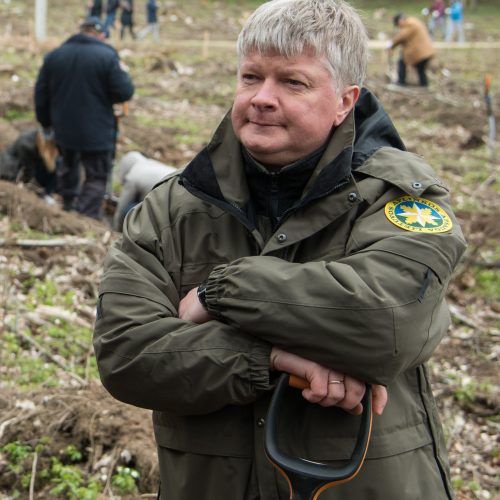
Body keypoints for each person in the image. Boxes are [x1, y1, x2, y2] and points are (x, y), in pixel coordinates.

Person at [93, 1, 466, 498]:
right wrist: (272, 356)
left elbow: (391, 321)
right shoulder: (171, 210)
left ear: (344, 100)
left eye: (293, 82)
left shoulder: (398, 197)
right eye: (251, 77)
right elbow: (127, 355)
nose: (262, 98)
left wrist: (222, 290)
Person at [34, 16, 134, 219]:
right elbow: (124, 92)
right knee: (97, 174)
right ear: (100, 34)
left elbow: (41, 94)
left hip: (64, 127)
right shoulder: (107, 56)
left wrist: (45, 122)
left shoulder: (55, 55)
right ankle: (87, 217)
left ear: (80, 31)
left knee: (67, 165)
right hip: (97, 130)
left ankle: (69, 206)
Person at [113, 151, 176, 231]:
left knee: (129, 210)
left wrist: (116, 228)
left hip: (167, 204)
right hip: (179, 195)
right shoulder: (149, 164)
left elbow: (122, 206)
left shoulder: (133, 175)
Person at [0, 128, 58, 202]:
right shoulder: (26, 145)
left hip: (31, 168)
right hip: (10, 170)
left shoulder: (50, 147)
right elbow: (28, 171)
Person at [389, 13, 436, 87]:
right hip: (424, 51)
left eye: (398, 25)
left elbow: (402, 36)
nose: (399, 27)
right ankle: (424, 85)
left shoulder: (410, 24)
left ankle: (401, 83)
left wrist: (391, 44)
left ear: (401, 21)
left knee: (402, 62)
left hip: (421, 52)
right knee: (420, 68)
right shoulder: (413, 21)